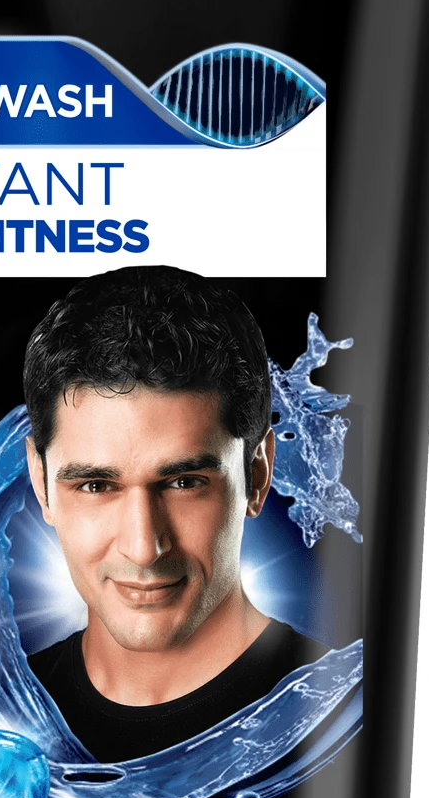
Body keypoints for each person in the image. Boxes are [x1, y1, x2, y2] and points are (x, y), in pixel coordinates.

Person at [19, 267, 327, 764]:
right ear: (42, 484)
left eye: (184, 483)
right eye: (96, 486)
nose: (144, 548)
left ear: (257, 474)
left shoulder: (348, 723)